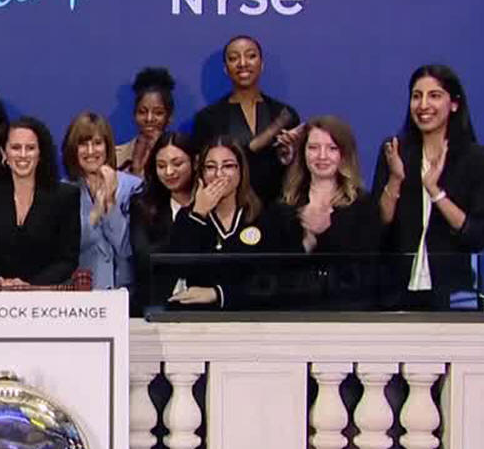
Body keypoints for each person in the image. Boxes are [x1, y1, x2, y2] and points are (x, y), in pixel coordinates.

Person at [373, 64, 484, 308]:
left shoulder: (476, 158)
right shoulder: (395, 150)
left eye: (434, 96)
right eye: (416, 96)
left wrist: (435, 191)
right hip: (394, 293)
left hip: (452, 294)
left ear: (454, 104)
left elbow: (478, 235)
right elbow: (378, 225)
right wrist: (395, 179)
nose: (423, 105)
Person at [167, 137, 293, 309]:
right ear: (201, 173)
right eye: (210, 167)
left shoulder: (265, 217)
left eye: (228, 166)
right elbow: (177, 270)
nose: (219, 174)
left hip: (253, 316)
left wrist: (217, 294)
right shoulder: (188, 217)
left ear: (241, 171)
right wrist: (198, 214)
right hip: (201, 318)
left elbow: (275, 282)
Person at [274, 116, 381, 308]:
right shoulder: (286, 207)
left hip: (347, 311)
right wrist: (308, 241)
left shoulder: (363, 205)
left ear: (343, 154)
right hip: (297, 312)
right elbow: (276, 272)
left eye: (332, 148)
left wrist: (325, 234)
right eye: (314, 148)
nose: (322, 156)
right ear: (303, 152)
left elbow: (367, 268)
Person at [0, 117, 80, 289]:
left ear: (40, 153)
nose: (22, 154)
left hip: (44, 297)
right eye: (15, 147)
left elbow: (67, 260)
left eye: (30, 148)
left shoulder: (65, 196)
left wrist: (29, 286)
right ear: (4, 153)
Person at [191, 35, 301, 204]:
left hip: (278, 208)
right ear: (226, 69)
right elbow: (201, 171)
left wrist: (290, 156)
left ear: (261, 64)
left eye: (251, 56)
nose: (243, 63)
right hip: (226, 209)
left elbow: (298, 171)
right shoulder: (207, 118)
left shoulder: (284, 114)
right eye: (234, 58)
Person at [62, 112, 142, 290]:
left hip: (124, 291)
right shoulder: (63, 192)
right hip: (81, 291)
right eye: (83, 144)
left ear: (107, 146)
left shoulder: (133, 187)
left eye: (97, 143)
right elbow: (69, 249)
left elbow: (127, 249)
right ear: (73, 149)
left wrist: (110, 204)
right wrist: (95, 212)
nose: (91, 151)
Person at [128, 132, 197, 312]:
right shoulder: (143, 205)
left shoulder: (212, 203)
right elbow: (145, 259)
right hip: (154, 305)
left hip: (204, 305)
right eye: (161, 165)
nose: (169, 172)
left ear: (195, 162)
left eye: (177, 164)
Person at [116, 67, 175, 177]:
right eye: (142, 112)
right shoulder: (116, 156)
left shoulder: (181, 158)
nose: (149, 119)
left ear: (170, 117)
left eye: (158, 113)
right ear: (134, 114)